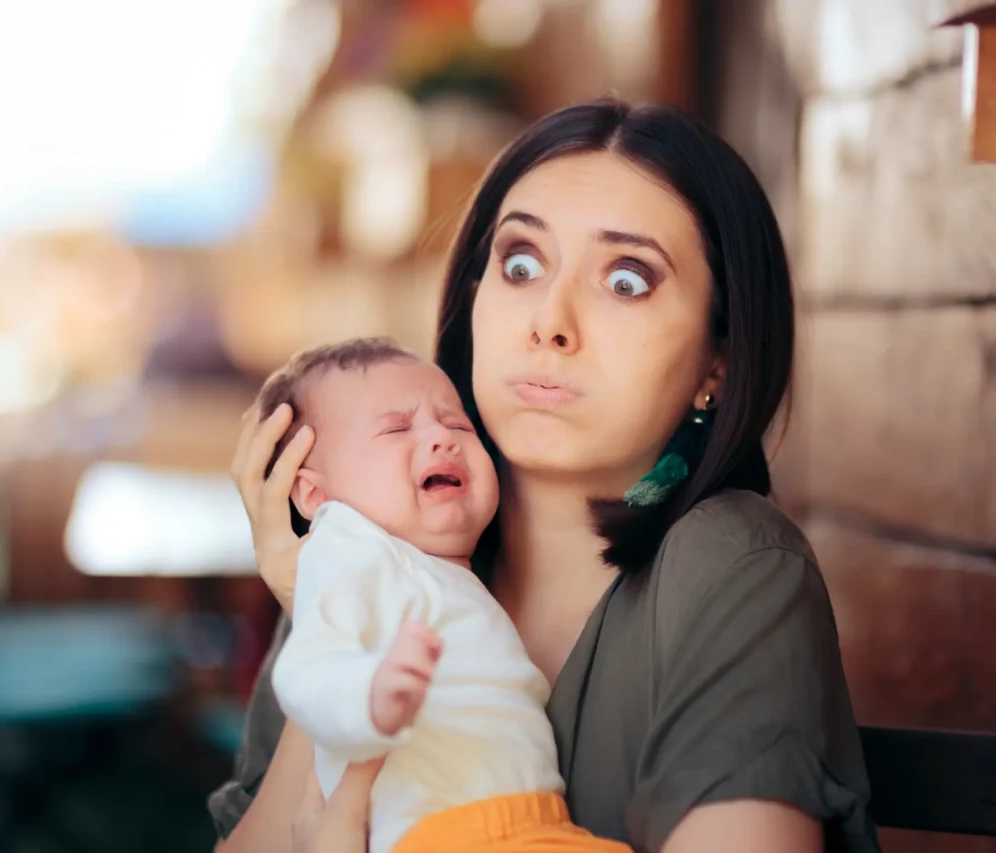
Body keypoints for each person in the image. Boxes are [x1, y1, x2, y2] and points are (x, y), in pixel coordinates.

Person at [212, 97, 882, 853]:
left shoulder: (734, 566)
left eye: (627, 280)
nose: (549, 322)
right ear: (475, 297)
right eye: (520, 264)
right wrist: (325, 607)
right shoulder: (368, 535)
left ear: (717, 365)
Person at [256, 338, 631, 853]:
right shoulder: (348, 545)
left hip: (538, 823)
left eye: (459, 425)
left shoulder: (444, 571)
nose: (442, 439)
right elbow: (306, 668)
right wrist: (370, 696)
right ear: (316, 495)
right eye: (396, 428)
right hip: (442, 833)